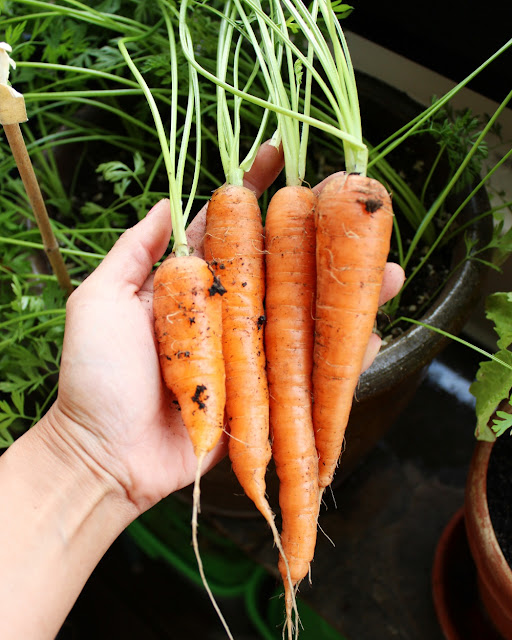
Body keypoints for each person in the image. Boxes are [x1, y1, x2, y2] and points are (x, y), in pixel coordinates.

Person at [0, 142, 404, 639]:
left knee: (305, 350)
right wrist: (90, 454)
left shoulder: (316, 209)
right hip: (195, 282)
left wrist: (89, 462)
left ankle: (296, 524)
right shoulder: (187, 268)